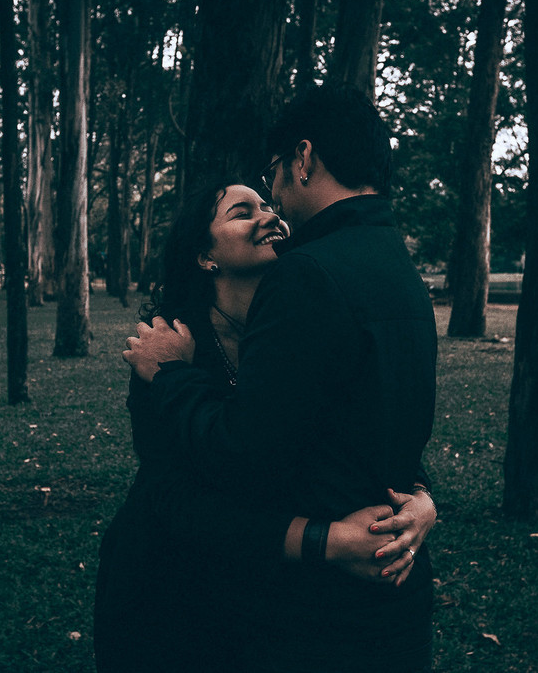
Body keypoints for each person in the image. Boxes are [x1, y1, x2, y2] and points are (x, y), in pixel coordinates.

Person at [124, 85, 438, 672]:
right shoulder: (397, 266)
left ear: (303, 158)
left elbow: (250, 452)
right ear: (203, 254)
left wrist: (422, 500)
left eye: (269, 182)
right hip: (180, 610)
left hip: (321, 619)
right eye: (242, 211)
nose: (270, 208)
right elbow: (171, 495)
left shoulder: (309, 278)